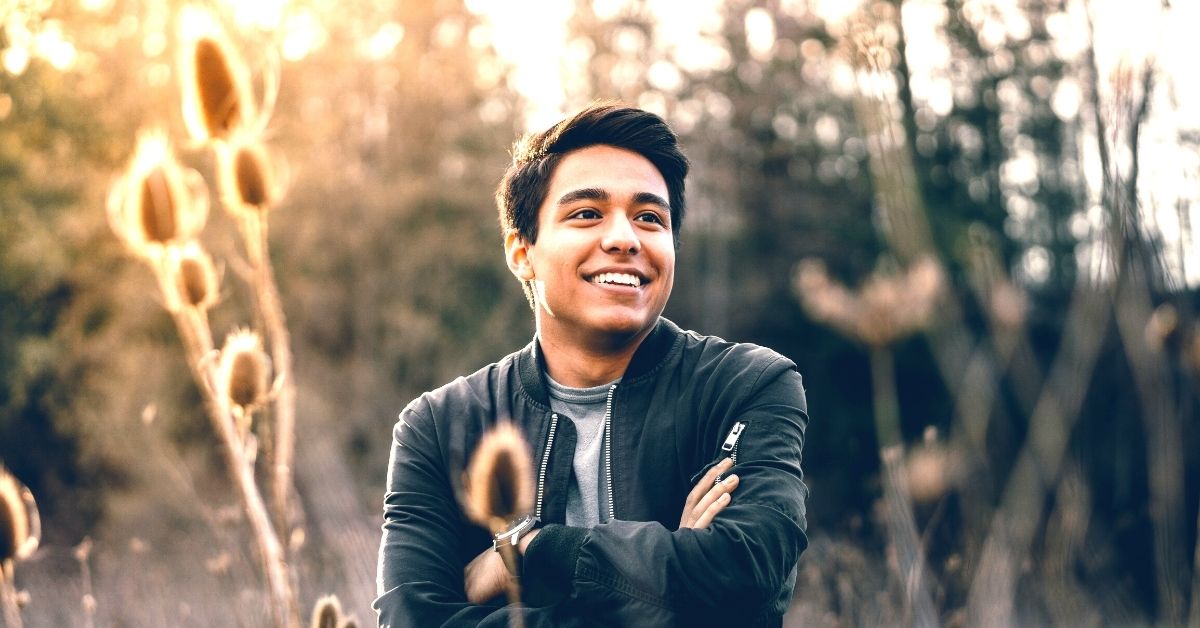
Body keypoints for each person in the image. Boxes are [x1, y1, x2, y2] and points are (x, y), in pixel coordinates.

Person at [374, 102, 810, 627]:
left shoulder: (744, 386)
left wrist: (532, 552)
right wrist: (671, 579)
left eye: (650, 217)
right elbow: (410, 619)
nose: (625, 238)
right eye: (586, 214)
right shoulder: (440, 426)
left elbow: (747, 575)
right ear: (521, 251)